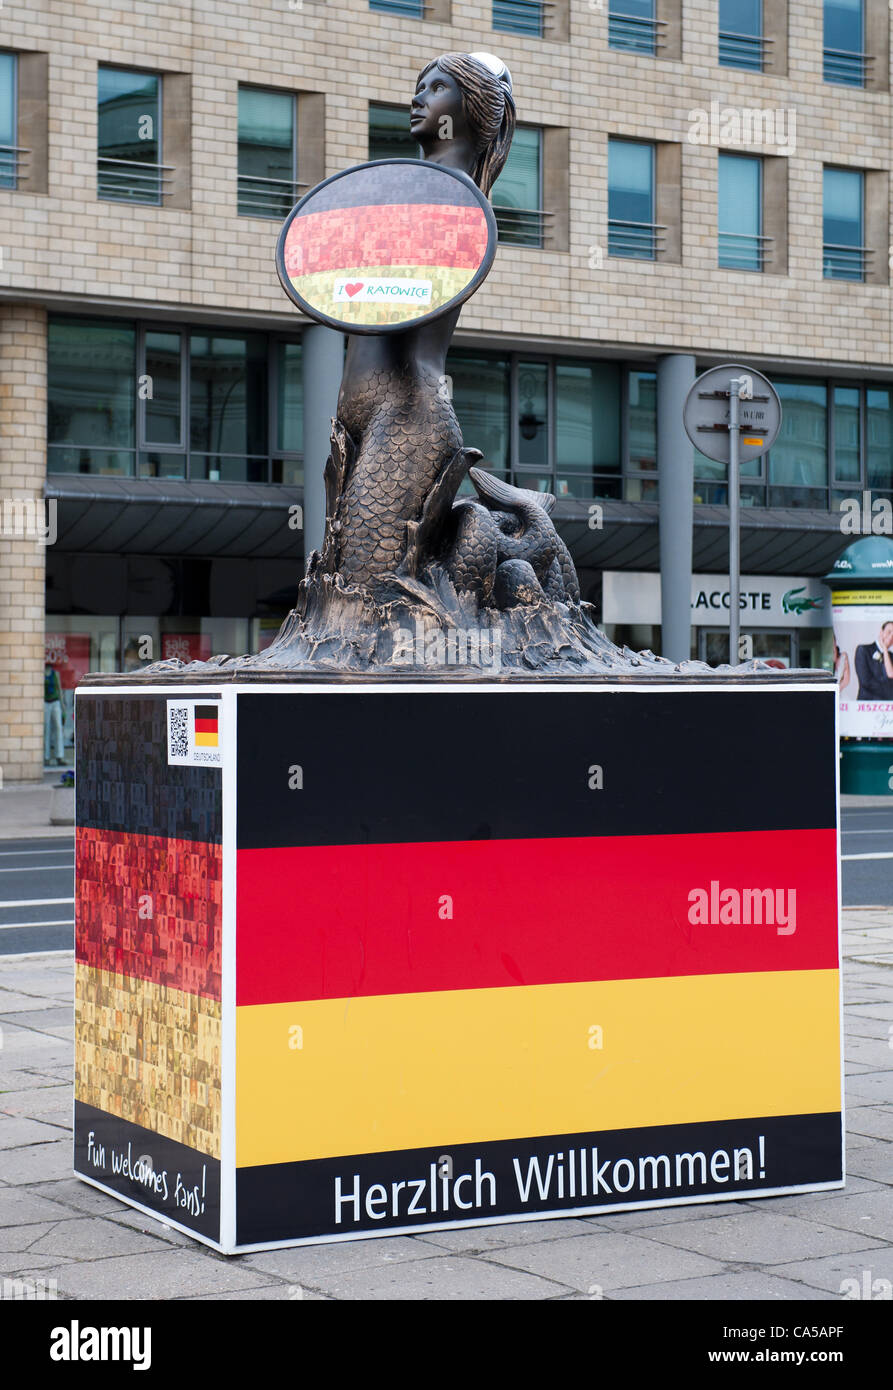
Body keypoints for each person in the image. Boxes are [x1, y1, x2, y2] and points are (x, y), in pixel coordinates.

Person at [332, 52, 515, 586]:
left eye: (436, 89)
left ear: (471, 110)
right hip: (364, 408)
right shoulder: (409, 190)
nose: (417, 98)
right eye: (420, 86)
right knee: (340, 580)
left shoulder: (453, 199)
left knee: (367, 583)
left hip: (407, 408)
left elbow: (396, 298)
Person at [855, 621, 893, 700]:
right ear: (881, 632)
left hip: (888, 706)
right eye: (889, 632)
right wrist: (889, 691)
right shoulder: (863, 650)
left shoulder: (891, 656)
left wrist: (885, 650)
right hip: (867, 704)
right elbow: (866, 681)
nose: (891, 636)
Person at [44, 662, 65, 765]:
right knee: (46, 729)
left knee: (58, 728)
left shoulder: (55, 674)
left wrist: (63, 706)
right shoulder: (41, 674)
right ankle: (46, 757)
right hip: (45, 702)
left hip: (55, 701)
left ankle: (59, 756)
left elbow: (59, 689)